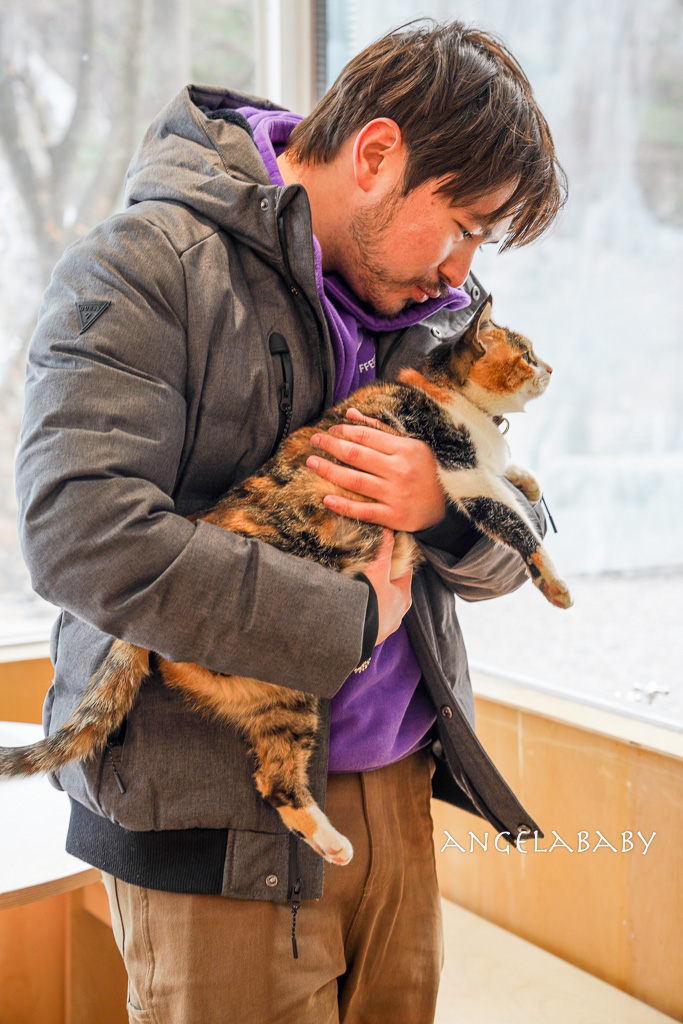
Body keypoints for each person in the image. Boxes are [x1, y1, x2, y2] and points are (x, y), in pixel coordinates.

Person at [14, 19, 565, 1024]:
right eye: (461, 225)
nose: (460, 271)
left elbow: (514, 541)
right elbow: (82, 534)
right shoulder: (144, 267)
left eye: (479, 244)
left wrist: (441, 515)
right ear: (376, 153)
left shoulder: (437, 311)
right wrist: (342, 621)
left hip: (396, 795)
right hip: (207, 819)